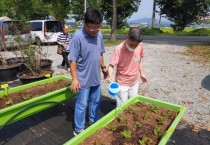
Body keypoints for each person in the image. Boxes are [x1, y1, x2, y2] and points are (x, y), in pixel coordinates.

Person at [68, 8, 108, 136]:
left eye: (98, 27)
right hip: (83, 79)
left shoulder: (99, 35)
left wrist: (103, 68)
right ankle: (79, 129)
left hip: (95, 77)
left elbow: (100, 52)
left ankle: (92, 120)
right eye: (92, 27)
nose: (95, 30)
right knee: (82, 105)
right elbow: (72, 60)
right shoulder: (77, 37)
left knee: (95, 101)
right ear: (84, 23)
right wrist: (74, 79)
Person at [108, 27, 148, 104]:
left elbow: (139, 60)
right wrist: (110, 76)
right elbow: (111, 65)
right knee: (122, 105)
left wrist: (142, 73)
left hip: (134, 81)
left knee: (133, 103)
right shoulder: (118, 49)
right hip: (122, 83)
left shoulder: (140, 45)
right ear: (127, 37)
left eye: (135, 45)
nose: (133, 47)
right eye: (131, 44)